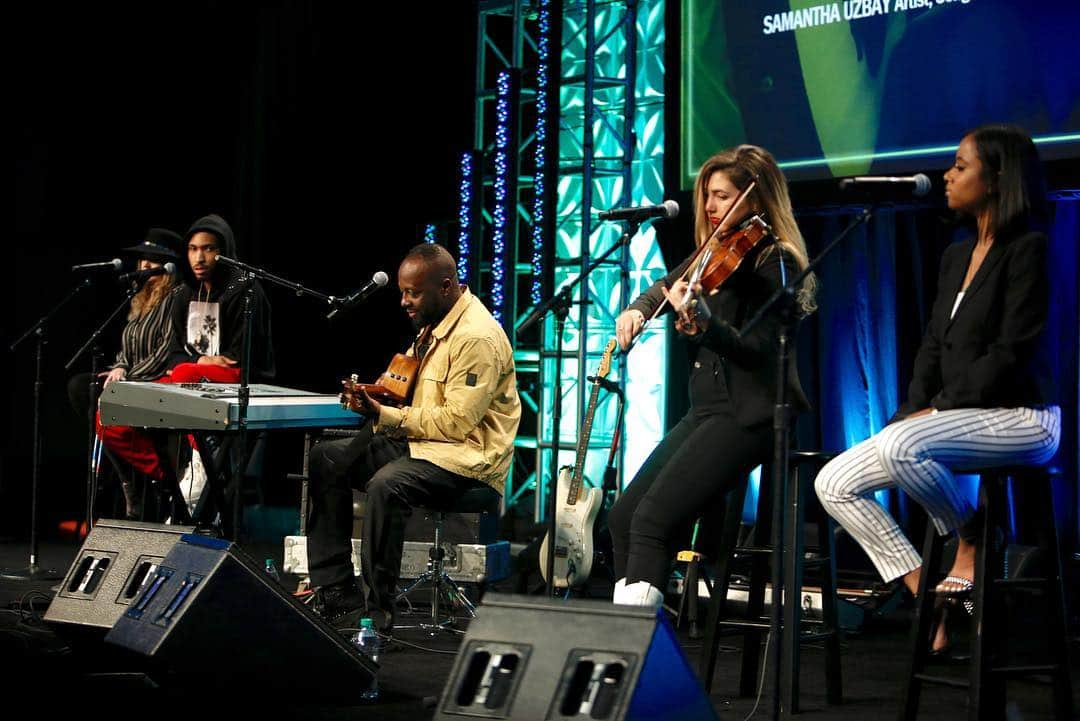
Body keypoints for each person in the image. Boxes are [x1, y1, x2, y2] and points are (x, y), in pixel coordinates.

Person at [813, 124, 1060, 650]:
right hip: (957, 417)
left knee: (906, 445)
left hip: (1024, 418)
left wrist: (937, 410)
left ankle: (971, 538)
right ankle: (927, 589)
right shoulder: (955, 255)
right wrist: (910, 409)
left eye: (960, 166)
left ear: (995, 179)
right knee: (833, 480)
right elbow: (930, 347)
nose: (947, 175)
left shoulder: (1029, 249)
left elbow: (1010, 353)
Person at [607, 145, 817, 607]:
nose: (709, 207)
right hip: (707, 410)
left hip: (751, 414)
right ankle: (633, 638)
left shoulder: (774, 260)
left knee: (652, 522)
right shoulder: (714, 251)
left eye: (721, 196)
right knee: (623, 516)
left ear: (755, 199)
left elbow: (755, 350)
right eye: (707, 195)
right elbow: (664, 286)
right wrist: (638, 311)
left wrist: (705, 324)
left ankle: (637, 649)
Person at [307, 243, 521, 633]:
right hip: (424, 445)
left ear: (446, 286)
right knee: (328, 459)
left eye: (413, 293)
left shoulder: (476, 338)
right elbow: (405, 388)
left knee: (387, 484)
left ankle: (377, 612)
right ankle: (336, 590)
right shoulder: (433, 324)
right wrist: (372, 396)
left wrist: (385, 414)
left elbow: (457, 423)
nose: (405, 301)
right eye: (403, 292)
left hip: (467, 460)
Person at [66, 228, 187, 518]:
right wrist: (119, 366)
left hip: (156, 379)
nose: (145, 265)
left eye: (153, 259)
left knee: (104, 404)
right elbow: (127, 346)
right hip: (132, 376)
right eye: (143, 260)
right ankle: (126, 477)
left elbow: (167, 348)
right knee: (81, 387)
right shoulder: (139, 299)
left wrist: (129, 378)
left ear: (168, 265)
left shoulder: (176, 297)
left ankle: (146, 475)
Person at [166, 213, 275, 383]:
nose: (199, 258)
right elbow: (173, 354)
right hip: (196, 369)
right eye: (193, 249)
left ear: (224, 251)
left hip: (242, 377)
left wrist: (193, 364)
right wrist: (200, 361)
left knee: (184, 374)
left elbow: (238, 357)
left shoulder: (244, 289)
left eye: (208, 248)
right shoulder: (185, 293)